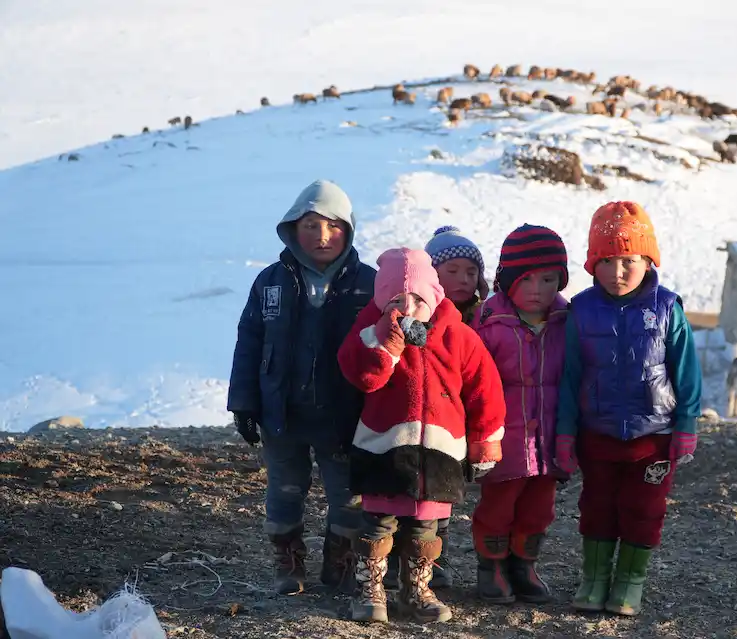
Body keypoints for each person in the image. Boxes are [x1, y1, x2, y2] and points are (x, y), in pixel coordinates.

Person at [337, 248, 507, 624]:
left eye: (417, 298)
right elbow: (364, 376)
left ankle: (416, 588)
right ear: (382, 301)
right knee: (378, 523)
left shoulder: (459, 336)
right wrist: (388, 343)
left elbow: (485, 389)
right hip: (385, 445)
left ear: (433, 296)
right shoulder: (371, 331)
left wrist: (485, 441)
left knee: (425, 527)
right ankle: (372, 587)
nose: (408, 307)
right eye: (396, 300)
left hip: (440, 449)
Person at [227, 179, 375, 594]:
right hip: (283, 412)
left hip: (345, 415)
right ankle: (287, 561)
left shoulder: (369, 283)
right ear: (293, 228)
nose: (322, 236)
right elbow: (249, 342)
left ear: (348, 229)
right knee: (284, 491)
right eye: (311, 225)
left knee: (349, 496)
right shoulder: (271, 282)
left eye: (332, 225)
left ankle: (340, 559)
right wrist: (243, 403)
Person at [555, 201, 702, 616]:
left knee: (643, 510)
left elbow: (686, 372)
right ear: (592, 263)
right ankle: (595, 578)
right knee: (597, 506)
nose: (616, 272)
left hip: (652, 438)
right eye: (606, 261)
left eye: (628, 261)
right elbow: (570, 375)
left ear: (648, 259)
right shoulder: (581, 310)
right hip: (597, 433)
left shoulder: (667, 308)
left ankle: (629, 583)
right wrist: (566, 432)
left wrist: (686, 423)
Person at [470, 225, 570, 604]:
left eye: (549, 279)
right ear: (508, 280)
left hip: (548, 439)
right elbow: (475, 382)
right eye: (526, 279)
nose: (538, 289)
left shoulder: (566, 322)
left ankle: (524, 563)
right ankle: (491, 565)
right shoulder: (489, 324)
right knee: (498, 506)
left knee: (539, 508)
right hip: (504, 438)